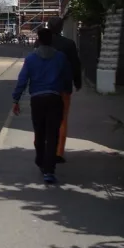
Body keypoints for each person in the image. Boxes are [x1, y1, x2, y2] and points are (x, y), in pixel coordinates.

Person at [12, 27, 73, 184]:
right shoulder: (60, 57)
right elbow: (67, 78)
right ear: (51, 40)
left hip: (37, 100)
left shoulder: (31, 59)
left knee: (39, 132)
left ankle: (40, 159)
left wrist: (16, 99)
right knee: (53, 134)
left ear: (38, 40)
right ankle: (49, 170)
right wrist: (66, 91)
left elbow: (23, 80)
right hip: (54, 99)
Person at [47, 16, 82, 163]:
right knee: (62, 119)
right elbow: (75, 64)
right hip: (63, 88)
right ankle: (58, 153)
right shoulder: (69, 44)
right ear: (61, 28)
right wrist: (77, 82)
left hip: (45, 88)